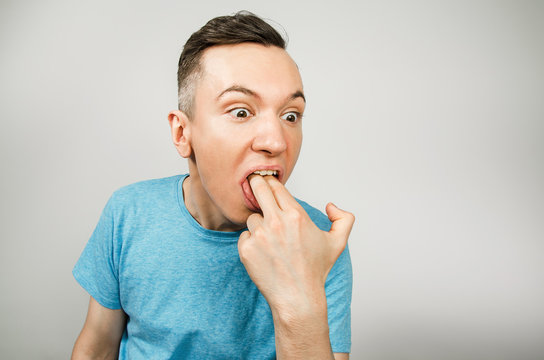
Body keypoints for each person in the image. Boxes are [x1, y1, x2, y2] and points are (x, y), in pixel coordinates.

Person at [71, 11, 354, 360]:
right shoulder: (128, 213)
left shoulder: (320, 241)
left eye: (290, 115)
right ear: (182, 133)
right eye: (240, 112)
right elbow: (96, 346)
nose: (277, 142)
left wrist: (299, 299)